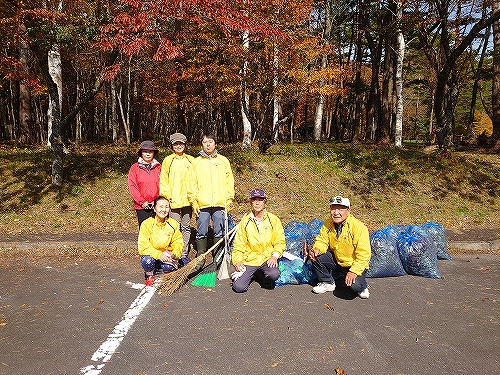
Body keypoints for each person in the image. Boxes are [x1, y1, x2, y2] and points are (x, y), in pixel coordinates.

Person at [309, 195, 371, 299]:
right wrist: (317, 249)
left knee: (354, 285)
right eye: (333, 208)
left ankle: (363, 286)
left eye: (341, 209)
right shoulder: (328, 224)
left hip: (353, 264)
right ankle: (327, 282)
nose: (336, 212)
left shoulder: (358, 227)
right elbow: (322, 240)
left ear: (348, 211)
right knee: (316, 257)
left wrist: (354, 271)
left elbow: (364, 253)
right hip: (338, 261)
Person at [189, 133, 234, 267]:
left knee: (219, 231)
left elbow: (229, 182)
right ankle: (201, 255)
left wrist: (229, 199)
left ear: (215, 144)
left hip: (220, 203)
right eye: (205, 142)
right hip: (202, 204)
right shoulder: (196, 162)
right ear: (201, 144)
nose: (208, 144)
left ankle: (218, 257)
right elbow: (192, 183)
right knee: (202, 229)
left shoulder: (223, 161)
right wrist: (194, 201)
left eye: (210, 142)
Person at [231, 189, 286, 292]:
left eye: (260, 200)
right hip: (250, 260)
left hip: (266, 258)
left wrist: (274, 256)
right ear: (251, 202)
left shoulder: (273, 219)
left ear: (265, 202)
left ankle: (260, 275)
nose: (257, 202)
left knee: (274, 275)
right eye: (254, 200)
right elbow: (239, 244)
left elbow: (280, 241)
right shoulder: (245, 221)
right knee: (238, 288)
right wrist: (238, 261)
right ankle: (253, 274)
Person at [159, 133, 194, 266]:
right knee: (173, 227)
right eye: (175, 144)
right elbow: (164, 180)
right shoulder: (168, 160)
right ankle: (174, 254)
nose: (178, 146)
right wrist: (166, 199)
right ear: (172, 146)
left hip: (188, 201)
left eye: (181, 143)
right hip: (173, 201)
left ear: (185, 145)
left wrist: (194, 198)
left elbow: (195, 180)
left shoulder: (191, 160)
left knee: (186, 227)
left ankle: (183, 254)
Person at [138, 196, 184, 286]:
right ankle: (150, 275)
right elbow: (143, 246)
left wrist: (175, 254)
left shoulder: (173, 223)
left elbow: (178, 241)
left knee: (168, 267)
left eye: (166, 207)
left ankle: (166, 274)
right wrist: (158, 255)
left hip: (166, 255)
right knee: (147, 261)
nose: (164, 210)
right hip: (152, 255)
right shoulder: (147, 224)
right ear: (155, 209)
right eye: (161, 207)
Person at [128, 140, 162, 228]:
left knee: (158, 230)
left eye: (150, 152)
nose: (148, 154)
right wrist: (142, 202)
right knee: (144, 230)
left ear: (154, 153)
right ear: (141, 153)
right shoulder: (134, 168)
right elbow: (133, 186)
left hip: (157, 205)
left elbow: (163, 185)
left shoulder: (159, 167)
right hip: (142, 206)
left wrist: (158, 201)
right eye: (145, 151)